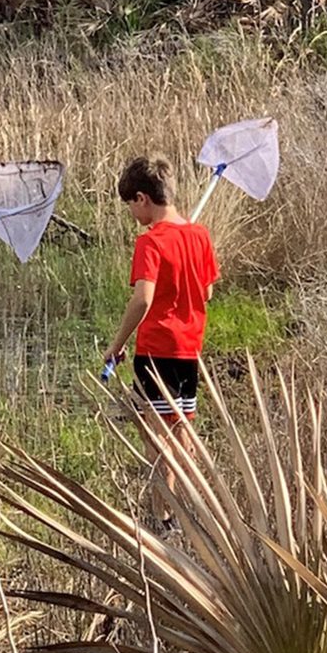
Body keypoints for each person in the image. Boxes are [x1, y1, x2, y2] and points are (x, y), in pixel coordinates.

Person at [102, 155, 219, 534]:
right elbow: (208, 290)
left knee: (156, 439)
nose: (133, 214)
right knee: (181, 429)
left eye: (131, 206)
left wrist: (117, 344)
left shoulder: (150, 241)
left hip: (156, 350)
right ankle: (190, 509)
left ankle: (163, 519)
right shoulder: (199, 236)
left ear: (142, 199)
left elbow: (143, 298)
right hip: (189, 349)